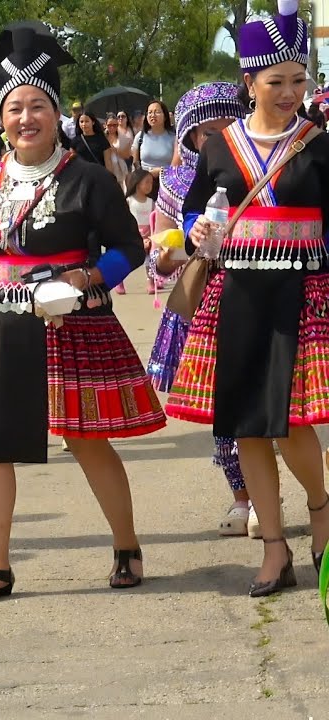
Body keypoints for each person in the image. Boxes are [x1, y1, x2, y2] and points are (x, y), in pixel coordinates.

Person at [0, 25, 165, 605]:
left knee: (87, 438)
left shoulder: (87, 178)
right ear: (2, 117)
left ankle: (126, 545)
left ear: (58, 113)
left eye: (38, 105)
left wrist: (87, 277)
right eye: (15, 107)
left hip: (72, 321)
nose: (26, 117)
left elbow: (128, 249)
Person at [166, 0, 329, 597]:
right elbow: (190, 213)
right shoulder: (218, 148)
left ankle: (320, 509)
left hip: (302, 291)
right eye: (276, 81)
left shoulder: (319, 144)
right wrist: (197, 233)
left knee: (289, 424)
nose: (290, 91)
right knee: (245, 426)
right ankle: (274, 549)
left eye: (298, 80)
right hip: (235, 291)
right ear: (250, 82)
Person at [146, 81, 249, 537]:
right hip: (204, 305)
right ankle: (244, 498)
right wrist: (171, 252)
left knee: (266, 404)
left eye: (227, 126)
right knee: (222, 408)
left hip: (257, 293)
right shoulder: (173, 185)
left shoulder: (259, 169)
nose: (216, 138)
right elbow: (159, 255)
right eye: (204, 132)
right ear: (188, 137)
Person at [134, 100, 175, 176]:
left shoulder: (174, 138)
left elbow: (176, 166)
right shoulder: (140, 136)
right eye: (150, 112)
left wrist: (161, 171)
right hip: (145, 182)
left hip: (167, 181)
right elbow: (135, 162)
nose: (153, 115)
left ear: (165, 116)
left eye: (157, 112)